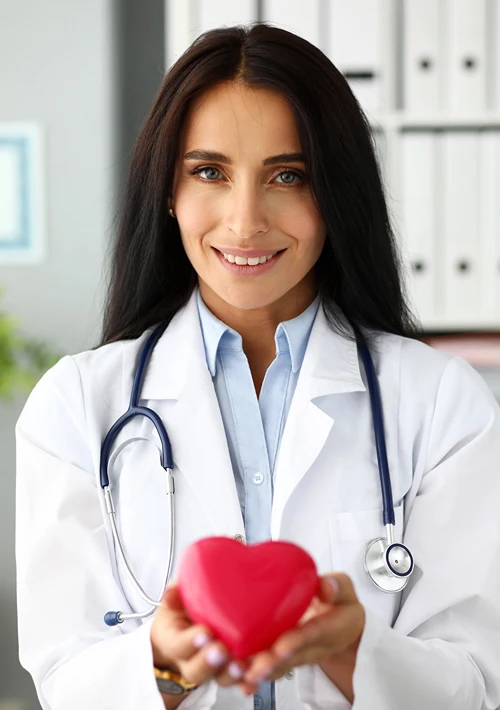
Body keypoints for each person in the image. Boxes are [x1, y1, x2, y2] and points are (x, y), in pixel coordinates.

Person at [15, 22, 500, 710]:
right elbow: (64, 680)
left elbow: (477, 686)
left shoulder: (441, 404)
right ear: (168, 191)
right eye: (209, 172)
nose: (245, 222)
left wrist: (355, 650)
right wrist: (161, 662)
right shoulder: (75, 407)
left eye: (288, 176)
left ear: (335, 194)